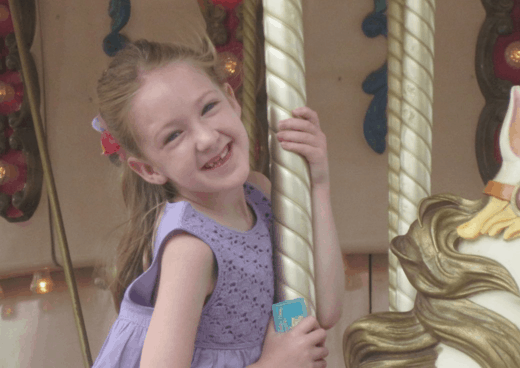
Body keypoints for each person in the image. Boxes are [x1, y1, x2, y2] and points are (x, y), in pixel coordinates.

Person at [91, 38, 345, 368]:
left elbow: (325, 308)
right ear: (149, 169)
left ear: (231, 99)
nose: (207, 138)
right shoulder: (192, 248)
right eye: (173, 136)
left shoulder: (261, 194)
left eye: (209, 108)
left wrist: (319, 184)